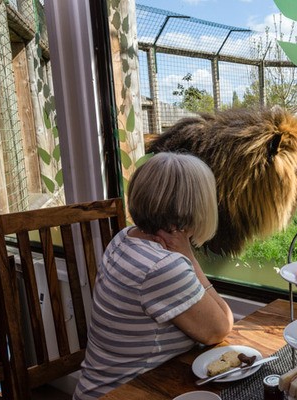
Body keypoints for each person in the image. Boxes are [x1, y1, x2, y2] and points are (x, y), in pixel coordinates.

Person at [73, 153, 234, 400]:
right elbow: (221, 328)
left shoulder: (125, 237)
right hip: (127, 393)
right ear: (196, 208)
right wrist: (189, 255)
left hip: (99, 390)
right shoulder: (163, 267)